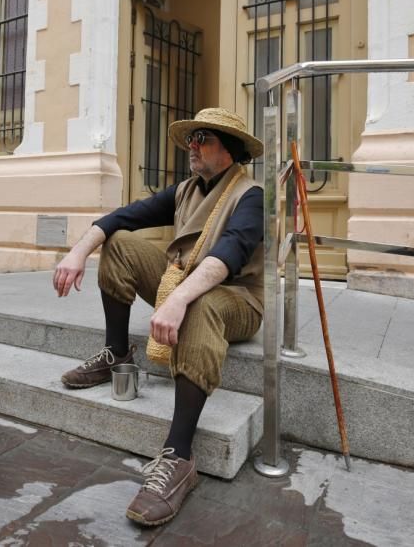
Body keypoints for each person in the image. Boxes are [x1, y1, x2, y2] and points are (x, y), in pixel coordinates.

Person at [52, 107, 264, 526]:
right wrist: (78, 252)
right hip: (186, 286)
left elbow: (233, 250)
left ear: (230, 149)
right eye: (191, 139)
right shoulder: (187, 190)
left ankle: (179, 456)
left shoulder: (251, 194)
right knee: (120, 242)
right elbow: (122, 217)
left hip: (238, 301)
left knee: (201, 304)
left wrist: (179, 299)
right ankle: (116, 353)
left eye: (201, 138)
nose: (192, 147)